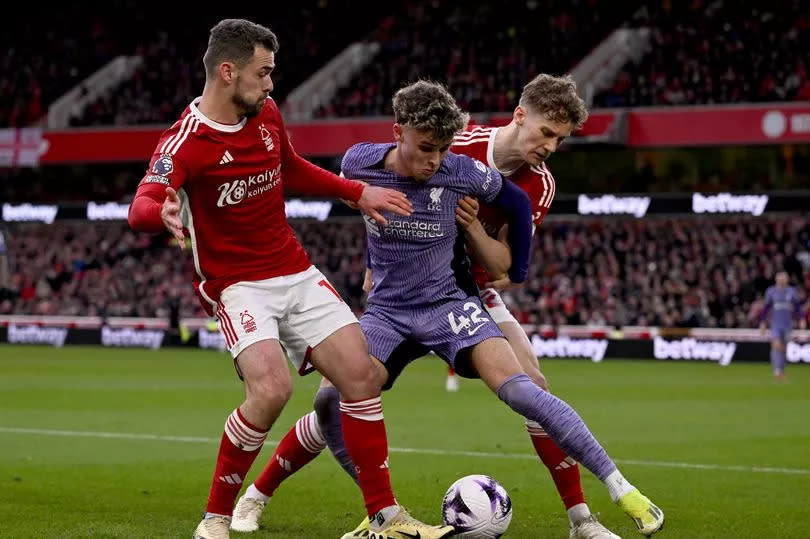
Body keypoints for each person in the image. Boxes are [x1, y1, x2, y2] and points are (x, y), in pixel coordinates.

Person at [232, 80, 665, 538]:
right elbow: (364, 194)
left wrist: (490, 243)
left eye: (561, 139)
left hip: (464, 294)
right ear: (519, 116)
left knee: (530, 385)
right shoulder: (455, 143)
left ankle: (587, 515)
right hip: (393, 303)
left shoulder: (524, 182)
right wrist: (371, 261)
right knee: (332, 401)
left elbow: (503, 264)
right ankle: (318, 503)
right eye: (546, 133)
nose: (550, 146)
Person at [127, 19, 453, 539]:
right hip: (237, 286)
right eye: (264, 72)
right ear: (228, 72)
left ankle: (385, 519)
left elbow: (293, 167)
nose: (271, 84)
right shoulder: (185, 140)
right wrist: (157, 213)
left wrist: (357, 193)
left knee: (361, 376)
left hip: (295, 269)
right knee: (272, 390)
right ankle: (214, 519)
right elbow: (143, 201)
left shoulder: (266, 113)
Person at [759, 271, 806, 380]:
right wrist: (763, 322)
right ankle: (777, 371)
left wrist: (802, 319)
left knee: (784, 348)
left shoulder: (792, 291)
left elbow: (798, 307)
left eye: (784, 278)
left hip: (788, 324)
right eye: (780, 278)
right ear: (776, 279)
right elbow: (766, 309)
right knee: (776, 345)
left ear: (787, 279)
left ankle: (781, 370)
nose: (782, 280)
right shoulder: (771, 291)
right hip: (775, 324)